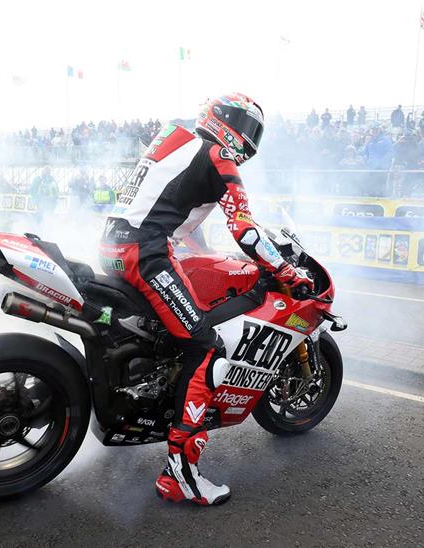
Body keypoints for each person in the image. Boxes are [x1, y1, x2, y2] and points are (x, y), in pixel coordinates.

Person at [99, 93, 312, 506]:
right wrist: (287, 272)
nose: (248, 141)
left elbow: (173, 208)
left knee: (169, 330)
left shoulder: (173, 137)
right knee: (206, 348)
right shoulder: (218, 156)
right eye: (246, 128)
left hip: (115, 247)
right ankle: (181, 475)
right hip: (145, 254)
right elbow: (246, 230)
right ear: (224, 120)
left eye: (254, 133)